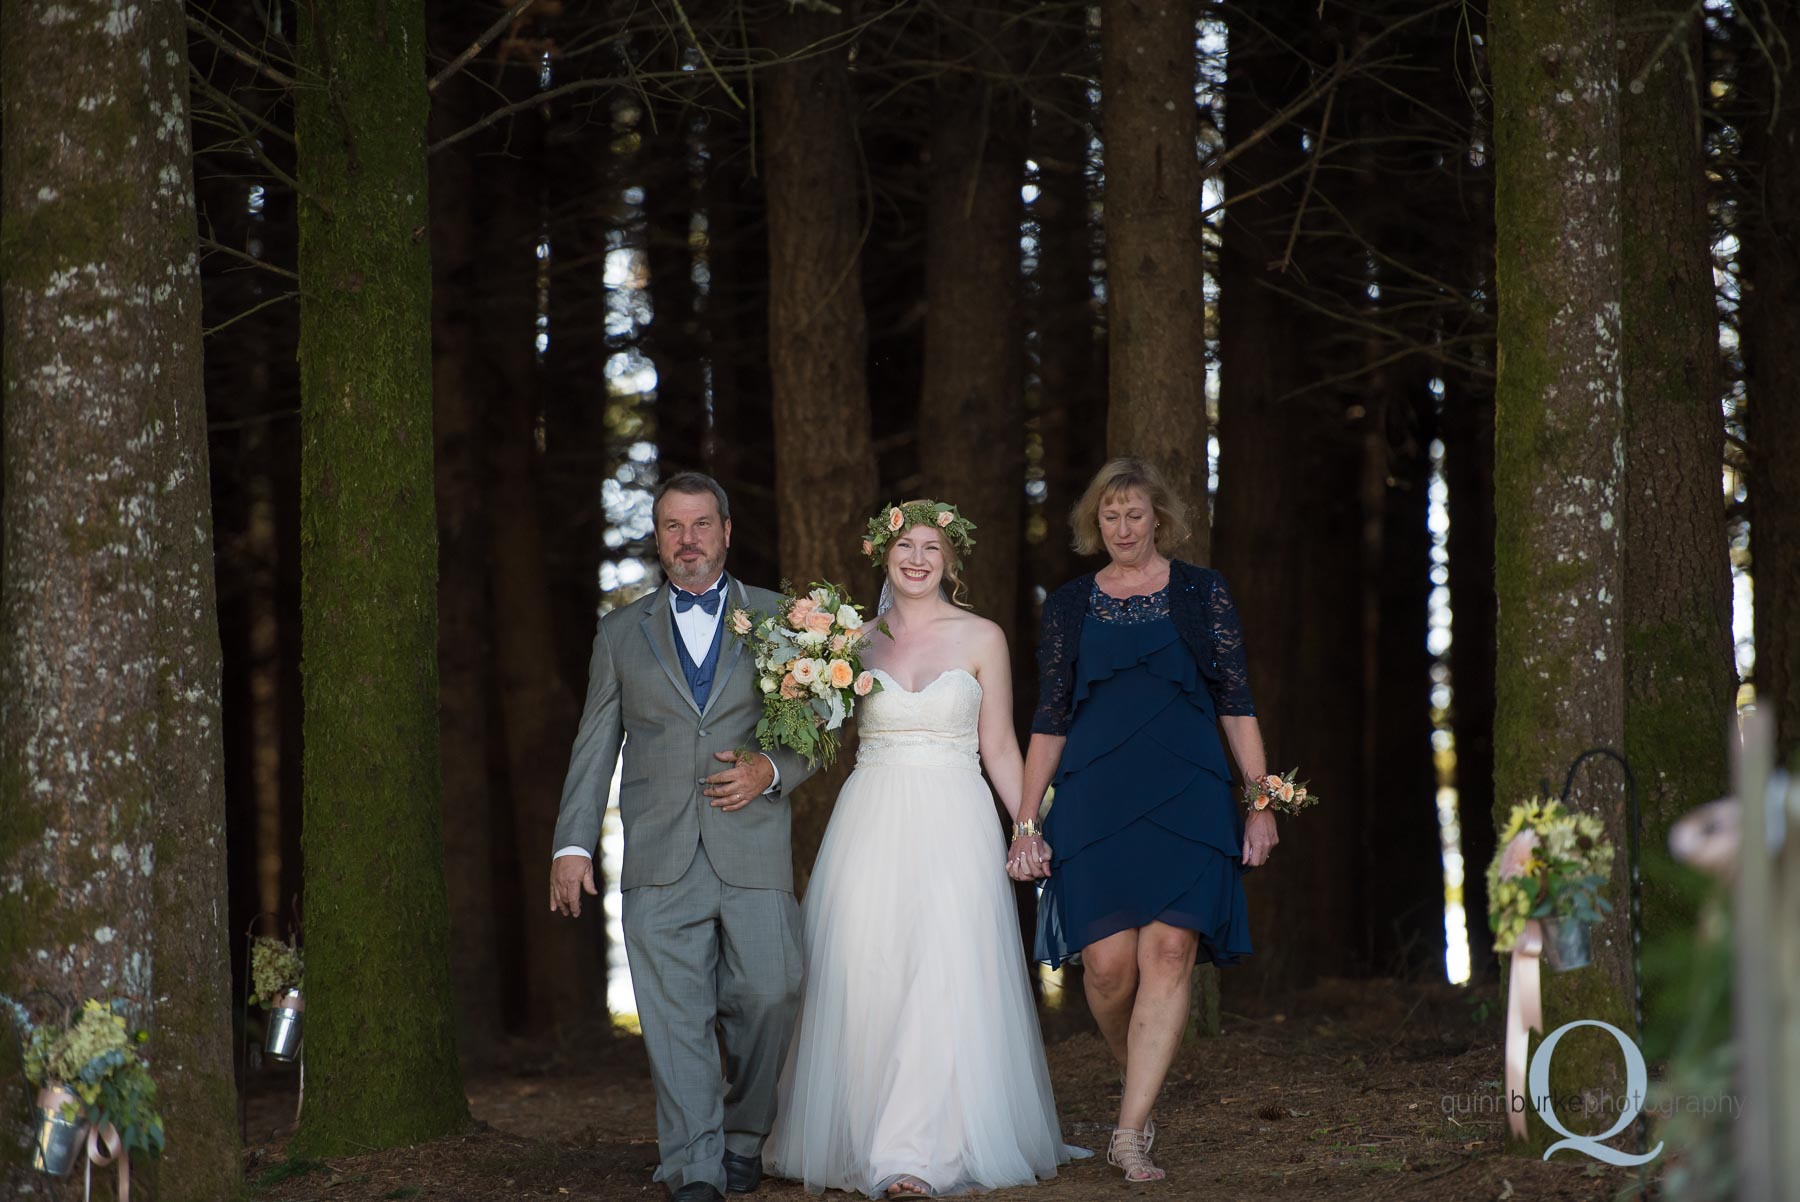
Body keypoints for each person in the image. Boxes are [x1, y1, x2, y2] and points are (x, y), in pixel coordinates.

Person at [764, 500, 1079, 1200]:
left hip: (955, 817)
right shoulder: (850, 642)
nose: (917, 558)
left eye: (932, 547)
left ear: (952, 560)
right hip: (871, 816)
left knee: (944, 968)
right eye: (906, 544)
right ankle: (863, 1133)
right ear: (883, 553)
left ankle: (918, 1153)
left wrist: (1027, 823)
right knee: (866, 967)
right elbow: (814, 739)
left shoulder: (983, 637)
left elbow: (998, 745)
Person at [549, 472, 816, 1202]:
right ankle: (694, 1166)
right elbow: (594, 743)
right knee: (674, 1018)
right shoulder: (618, 633)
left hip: (752, 840)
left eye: (701, 525)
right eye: (673, 526)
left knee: (773, 992)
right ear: (659, 537)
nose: (688, 539)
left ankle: (742, 1134)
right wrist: (571, 845)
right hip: (659, 854)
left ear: (726, 531)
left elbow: (820, 727)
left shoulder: (782, 619)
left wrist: (769, 768)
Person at [1010, 456, 1277, 1183]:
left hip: (1188, 791)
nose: (1123, 527)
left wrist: (1260, 803)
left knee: (1167, 953)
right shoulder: (1069, 604)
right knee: (1105, 967)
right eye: (1109, 515)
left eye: (1135, 514)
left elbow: (1236, 700)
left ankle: (1130, 1134)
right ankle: (1140, 1083)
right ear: (1093, 524)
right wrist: (1027, 821)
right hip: (1095, 796)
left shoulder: (1201, 592)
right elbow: (1050, 716)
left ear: (1159, 517)